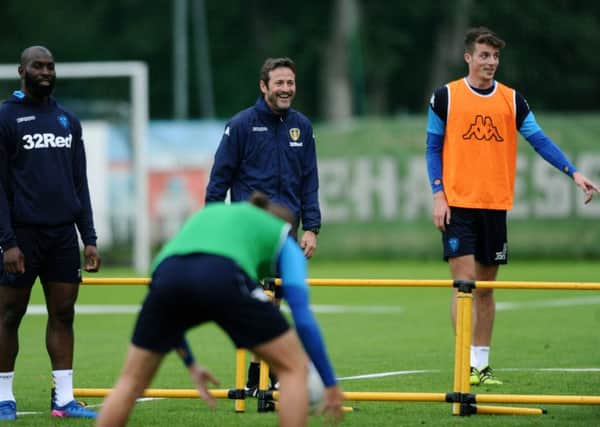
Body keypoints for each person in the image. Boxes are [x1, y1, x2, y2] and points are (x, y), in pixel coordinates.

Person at [425, 27, 600, 386]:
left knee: (487, 291)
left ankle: (480, 366)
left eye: (495, 57)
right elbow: (432, 148)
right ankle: (462, 364)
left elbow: (539, 140)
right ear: (468, 58)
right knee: (464, 286)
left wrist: (574, 172)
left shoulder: (512, 100)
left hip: (495, 205)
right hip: (457, 204)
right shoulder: (446, 97)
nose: (491, 62)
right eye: (484, 56)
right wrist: (438, 194)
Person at [95, 192, 344, 427]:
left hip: (167, 273)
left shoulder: (210, 216)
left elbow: (172, 314)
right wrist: (330, 384)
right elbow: (302, 317)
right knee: (293, 369)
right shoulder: (281, 235)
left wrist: (191, 364)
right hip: (222, 273)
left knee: (129, 382)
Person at [205, 57, 321, 393]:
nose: (286, 89)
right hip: (247, 233)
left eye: (290, 83)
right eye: (280, 83)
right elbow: (218, 182)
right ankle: (265, 375)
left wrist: (312, 226)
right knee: (260, 304)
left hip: (286, 234)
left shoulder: (303, 126)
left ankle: (261, 376)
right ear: (264, 86)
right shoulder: (240, 125)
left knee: (274, 303)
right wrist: (215, 229)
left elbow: (309, 181)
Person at [0, 46, 101, 420]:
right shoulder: (5, 117)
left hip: (62, 236)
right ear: (21, 71)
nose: (45, 71)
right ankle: (3, 397)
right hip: (21, 236)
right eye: (37, 66)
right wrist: (7, 240)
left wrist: (88, 237)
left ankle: (64, 399)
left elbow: (80, 182)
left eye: (50, 66)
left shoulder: (67, 120)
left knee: (63, 314)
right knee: (10, 315)